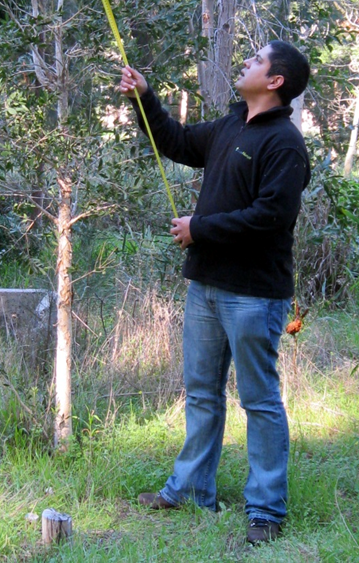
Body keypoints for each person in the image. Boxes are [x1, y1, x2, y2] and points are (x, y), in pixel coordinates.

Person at [118, 40, 311, 544]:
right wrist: (146, 97)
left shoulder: (285, 143)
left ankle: (266, 511)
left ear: (275, 81)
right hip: (205, 287)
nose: (246, 63)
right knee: (202, 394)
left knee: (259, 400)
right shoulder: (230, 125)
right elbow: (178, 142)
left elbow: (272, 216)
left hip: (254, 295)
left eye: (257, 61)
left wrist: (200, 228)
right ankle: (188, 490)